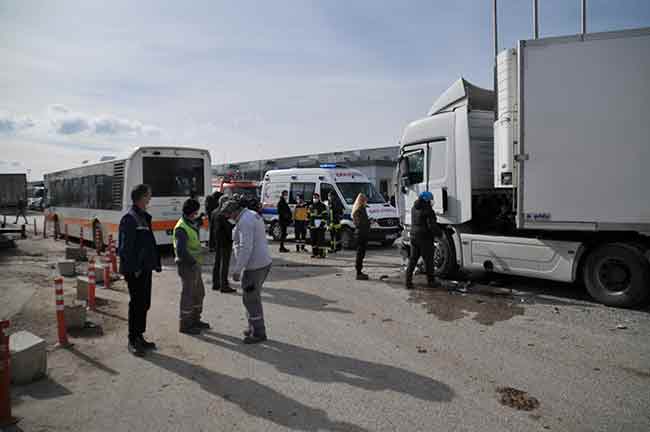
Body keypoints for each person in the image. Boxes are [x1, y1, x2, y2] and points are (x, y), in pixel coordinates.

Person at [221, 200, 273, 344]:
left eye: (228, 215)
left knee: (251, 299)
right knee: (251, 297)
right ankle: (252, 327)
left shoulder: (245, 221)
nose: (229, 219)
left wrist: (237, 270)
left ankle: (258, 332)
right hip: (262, 263)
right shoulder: (252, 215)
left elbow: (246, 247)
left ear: (234, 212)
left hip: (254, 266)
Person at [118, 184, 161, 356]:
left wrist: (155, 263)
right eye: (149, 195)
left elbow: (149, 244)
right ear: (142, 197)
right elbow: (124, 248)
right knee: (136, 304)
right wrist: (134, 268)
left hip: (145, 269)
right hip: (135, 270)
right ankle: (132, 339)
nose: (150, 198)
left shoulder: (143, 217)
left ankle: (140, 336)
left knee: (144, 303)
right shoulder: (130, 218)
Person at [173, 198, 210, 335]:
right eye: (196, 212)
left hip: (194, 265)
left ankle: (195, 319)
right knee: (188, 295)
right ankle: (185, 324)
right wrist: (193, 262)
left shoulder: (190, 223)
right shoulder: (181, 228)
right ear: (192, 212)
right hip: (187, 266)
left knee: (199, 293)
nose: (197, 215)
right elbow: (181, 251)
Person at [405, 191, 442, 290]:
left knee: (413, 259)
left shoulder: (414, 208)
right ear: (427, 200)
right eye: (431, 200)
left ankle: (408, 282)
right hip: (425, 238)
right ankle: (431, 282)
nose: (432, 202)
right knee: (428, 260)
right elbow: (431, 226)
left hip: (413, 236)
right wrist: (439, 233)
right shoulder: (428, 210)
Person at [209, 195, 236, 293]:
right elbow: (229, 228)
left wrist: (211, 243)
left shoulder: (214, 212)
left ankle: (215, 283)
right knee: (224, 264)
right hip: (225, 241)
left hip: (217, 241)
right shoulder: (224, 214)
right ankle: (224, 285)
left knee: (217, 263)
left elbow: (211, 228)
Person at [352, 193, 370, 280]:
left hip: (363, 234)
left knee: (361, 254)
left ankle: (359, 272)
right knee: (360, 254)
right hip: (360, 234)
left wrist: (369, 221)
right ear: (362, 201)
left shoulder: (362, 209)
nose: (366, 202)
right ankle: (358, 273)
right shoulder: (358, 210)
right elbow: (359, 223)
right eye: (365, 200)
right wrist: (368, 222)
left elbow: (363, 222)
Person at [308, 193, 328, 258]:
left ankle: (321, 254)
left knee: (320, 240)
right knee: (313, 240)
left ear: (319, 198)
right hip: (312, 226)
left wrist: (322, 224)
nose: (315, 199)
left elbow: (325, 216)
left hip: (320, 226)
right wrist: (308, 224)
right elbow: (308, 216)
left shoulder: (322, 206)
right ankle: (314, 253)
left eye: (316, 197)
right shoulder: (311, 206)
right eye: (314, 197)